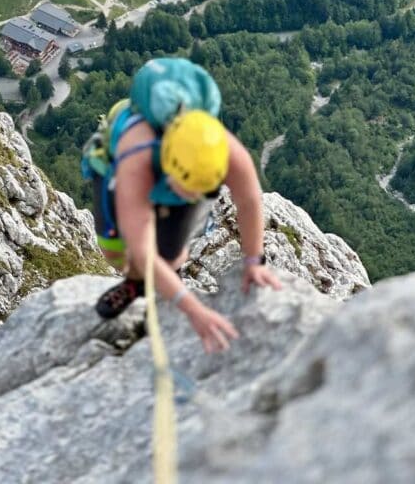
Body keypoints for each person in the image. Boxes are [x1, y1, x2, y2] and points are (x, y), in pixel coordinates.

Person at [85, 59, 281, 353]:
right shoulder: (136, 159)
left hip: (183, 173)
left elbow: (250, 200)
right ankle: (135, 283)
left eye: (200, 192)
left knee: (171, 252)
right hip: (115, 172)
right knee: (115, 250)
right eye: (185, 190)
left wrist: (254, 260)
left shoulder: (223, 151)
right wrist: (194, 311)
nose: (191, 198)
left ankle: (162, 295)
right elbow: (142, 250)